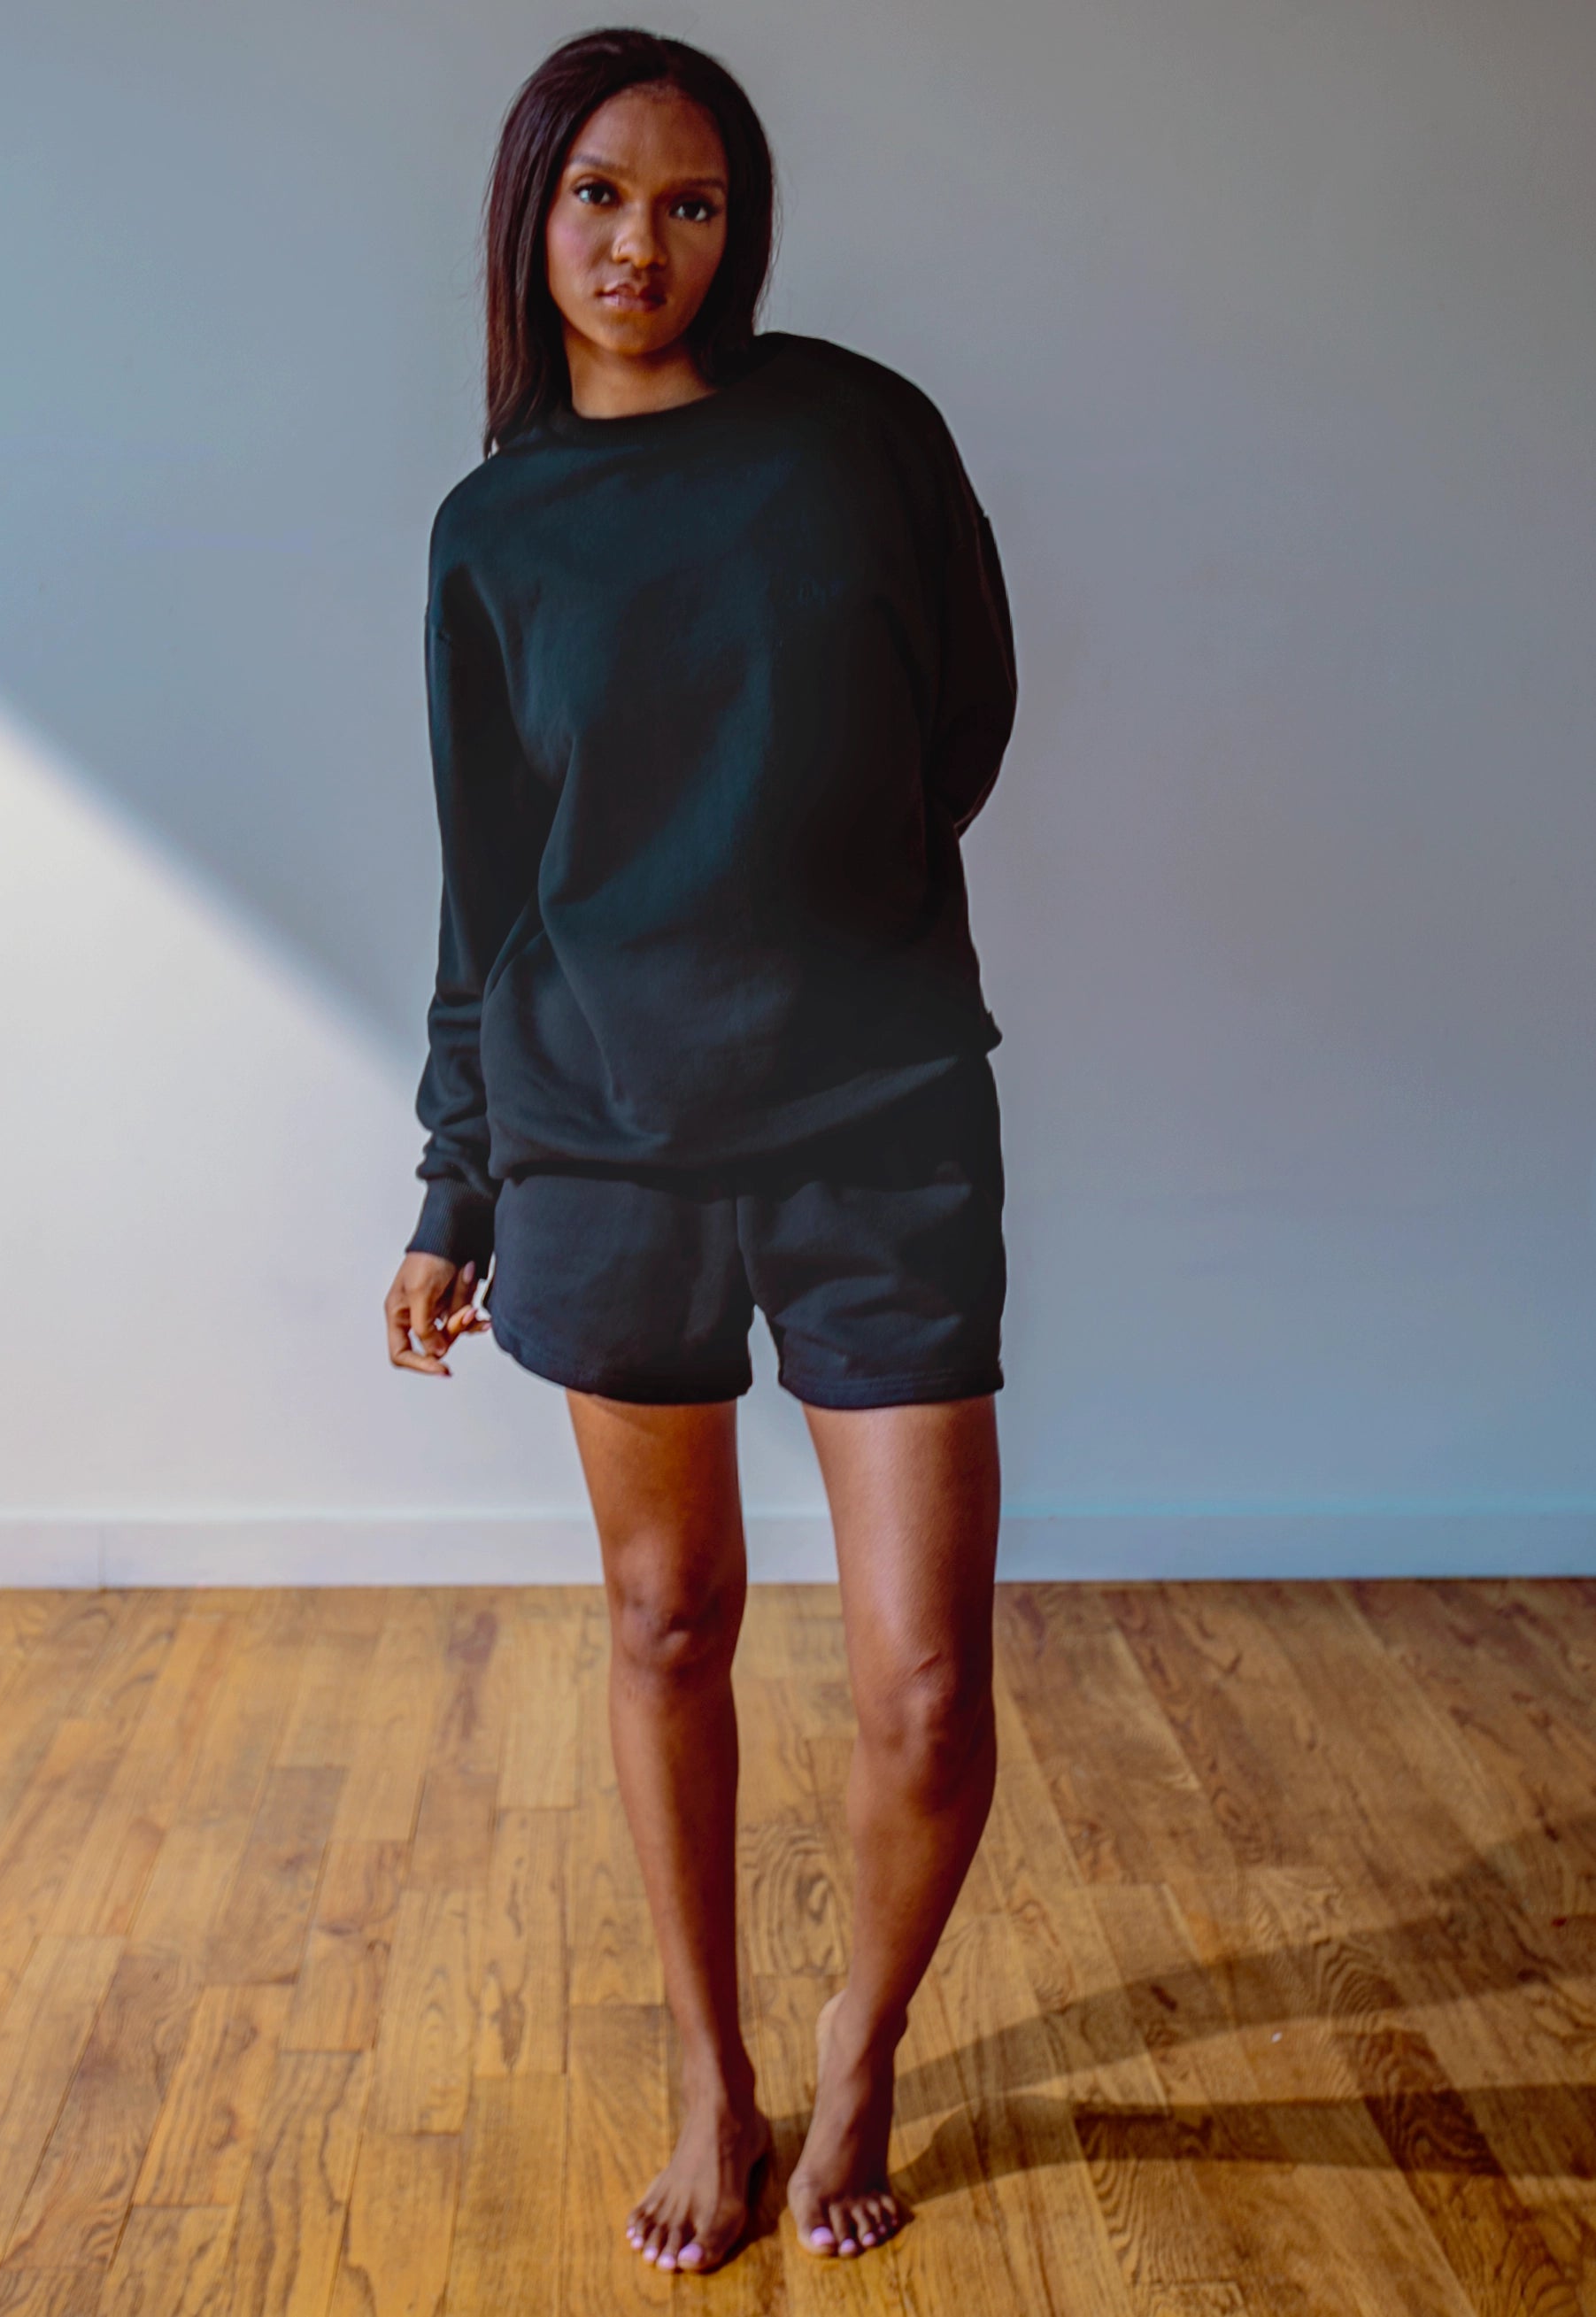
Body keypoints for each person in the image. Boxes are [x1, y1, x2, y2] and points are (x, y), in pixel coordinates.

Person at [382, 26, 1018, 2277]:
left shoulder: (856, 436)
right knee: (669, 1621)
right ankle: (709, 2074)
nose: (641, 242)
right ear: (529, 217)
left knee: (927, 1678)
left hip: (879, 1124)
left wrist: (808, 914)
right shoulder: (494, 532)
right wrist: (457, 1182)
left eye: (692, 204)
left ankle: (854, 2053)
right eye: (598, 198)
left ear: (741, 229)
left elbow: (964, 719)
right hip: (604, 1145)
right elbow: (491, 876)